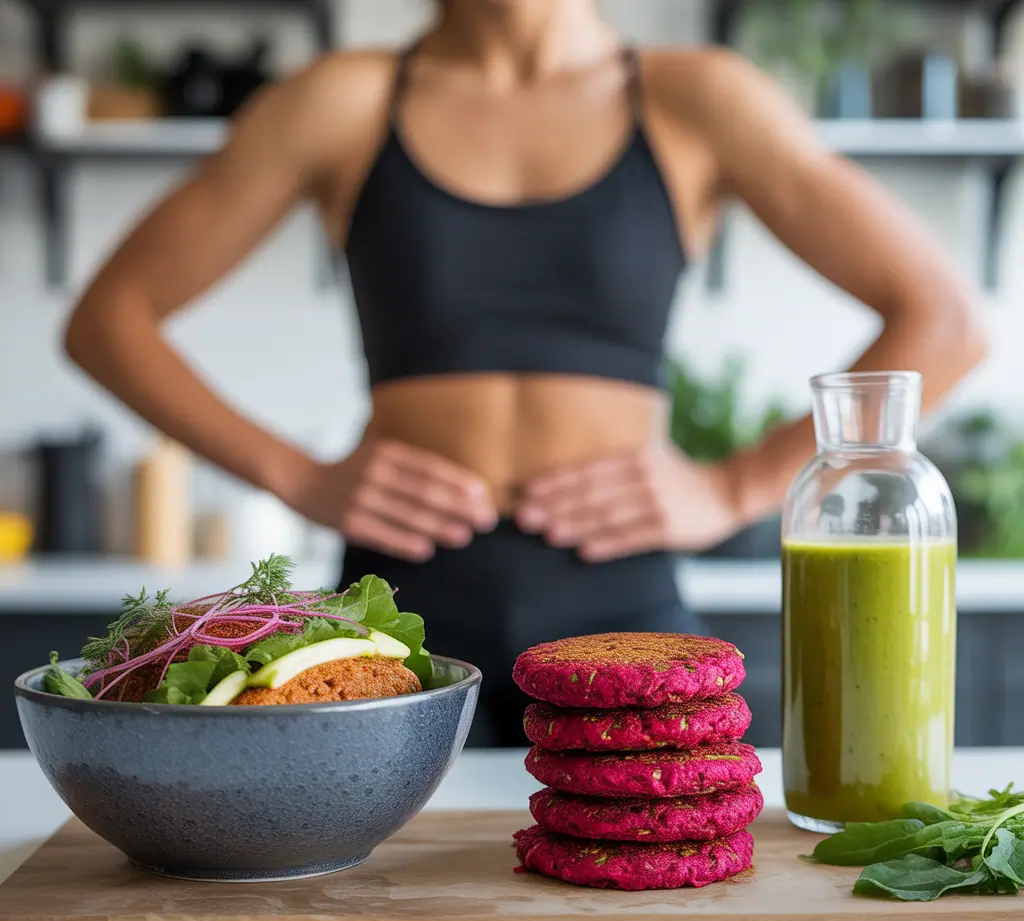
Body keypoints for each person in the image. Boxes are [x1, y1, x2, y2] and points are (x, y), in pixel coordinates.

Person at [64, 0, 988, 745]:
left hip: (622, 603)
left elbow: (943, 320)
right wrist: (300, 477)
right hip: (398, 616)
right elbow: (109, 321)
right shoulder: (342, 100)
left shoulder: (695, 98)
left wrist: (731, 485)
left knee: (638, 905)